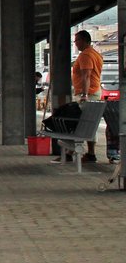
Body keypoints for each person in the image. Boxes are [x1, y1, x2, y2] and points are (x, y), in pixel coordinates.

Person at [52, 30, 102, 164]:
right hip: (93, 92)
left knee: (77, 123)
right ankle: (89, 154)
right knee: (89, 123)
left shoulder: (86, 55)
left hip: (88, 94)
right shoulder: (95, 54)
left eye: (77, 40)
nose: (75, 43)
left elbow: (86, 75)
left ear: (84, 40)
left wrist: (84, 94)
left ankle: (70, 153)